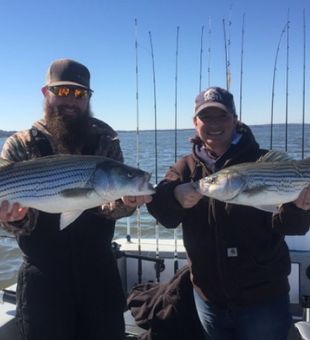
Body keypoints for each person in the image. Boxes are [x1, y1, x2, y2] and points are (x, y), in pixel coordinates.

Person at [0, 58, 152, 340]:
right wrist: (15, 217)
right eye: (64, 92)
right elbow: (12, 224)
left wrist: (125, 204)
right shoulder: (20, 144)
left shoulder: (106, 141)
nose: (71, 100)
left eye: (80, 93)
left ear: (88, 98)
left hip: (98, 270)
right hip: (44, 275)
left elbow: (110, 205)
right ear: (46, 93)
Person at [147, 86, 310, 340]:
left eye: (222, 116)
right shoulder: (185, 168)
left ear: (235, 120)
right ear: (195, 123)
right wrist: (175, 198)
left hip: (263, 298)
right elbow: (162, 213)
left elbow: (290, 227)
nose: (214, 124)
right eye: (206, 117)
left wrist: (299, 208)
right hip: (209, 299)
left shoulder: (263, 160)